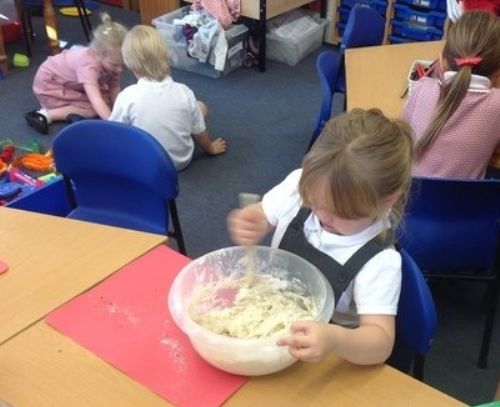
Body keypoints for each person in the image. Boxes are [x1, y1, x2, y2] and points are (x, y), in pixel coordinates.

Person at [227, 108, 413, 366]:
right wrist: (253, 220)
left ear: (385, 202)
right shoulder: (298, 187)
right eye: (313, 202)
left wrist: (335, 339)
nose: (322, 216)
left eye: (339, 214)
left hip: (328, 352)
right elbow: (262, 214)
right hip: (270, 321)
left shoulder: (380, 261)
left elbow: (380, 343)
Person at [109, 25, 226, 172]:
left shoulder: (127, 96)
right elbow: (199, 129)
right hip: (180, 161)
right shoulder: (184, 92)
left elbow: (113, 133)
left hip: (145, 164)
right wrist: (210, 148)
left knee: (130, 121)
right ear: (165, 56)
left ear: (130, 64)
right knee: (200, 107)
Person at [402, 11, 500, 179]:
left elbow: (404, 135)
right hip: (464, 203)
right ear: (497, 74)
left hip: (406, 201)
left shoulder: (421, 88)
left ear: (441, 61)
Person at [25, 13, 127, 135]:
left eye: (123, 64)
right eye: (115, 65)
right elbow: (95, 99)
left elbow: (114, 87)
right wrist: (114, 124)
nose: (120, 69)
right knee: (91, 110)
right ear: (99, 54)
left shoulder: (112, 60)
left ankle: (72, 106)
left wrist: (120, 110)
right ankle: (45, 115)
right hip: (49, 84)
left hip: (69, 82)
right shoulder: (89, 66)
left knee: (105, 101)